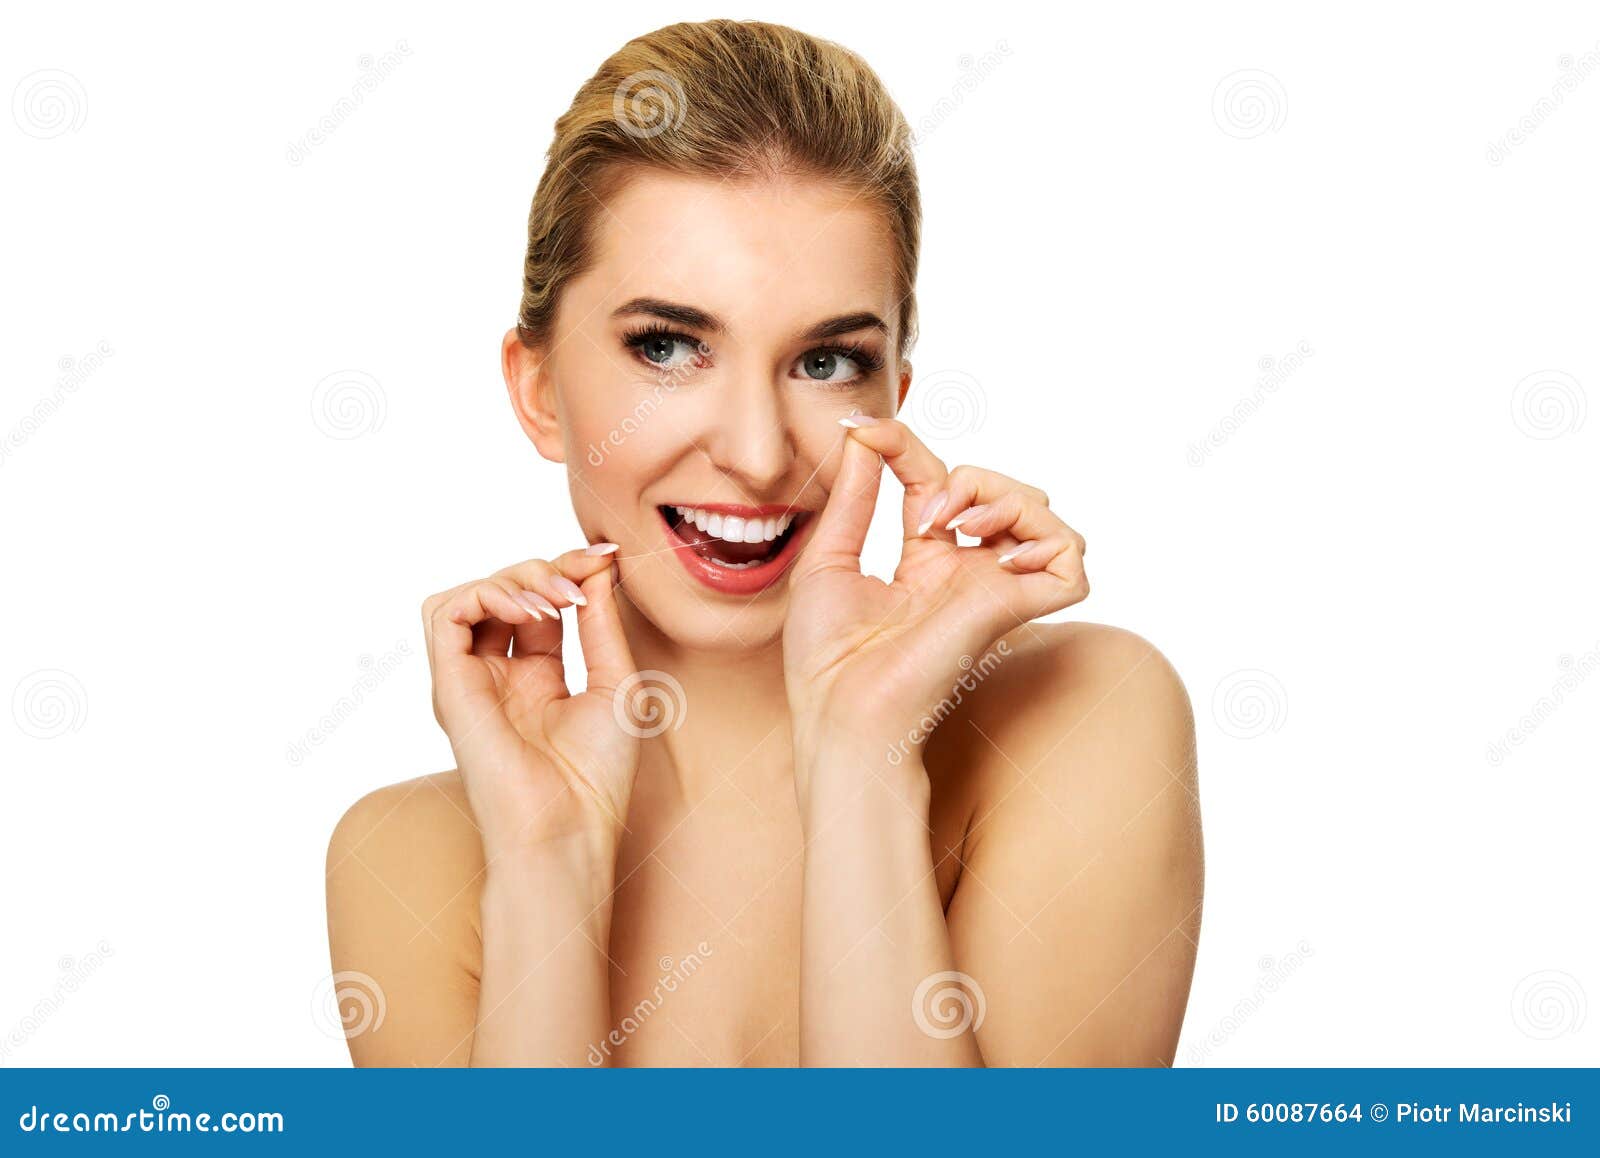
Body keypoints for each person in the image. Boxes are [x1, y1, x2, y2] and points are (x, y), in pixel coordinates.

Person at [326, 18, 1202, 1067]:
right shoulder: (409, 858)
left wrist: (863, 756)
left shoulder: (1076, 712)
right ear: (539, 389)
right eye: (668, 347)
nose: (754, 452)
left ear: (893, 403)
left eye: (825, 363)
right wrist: (547, 871)